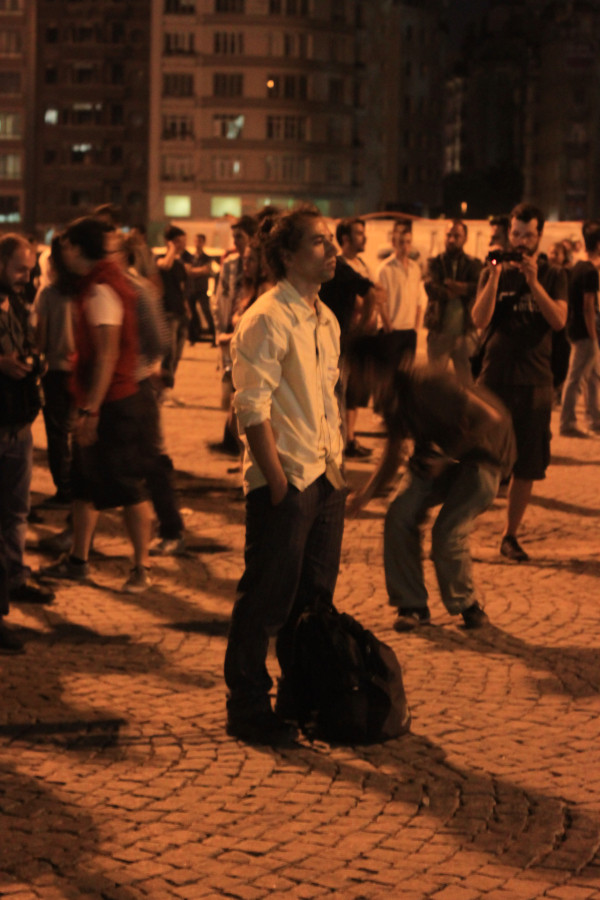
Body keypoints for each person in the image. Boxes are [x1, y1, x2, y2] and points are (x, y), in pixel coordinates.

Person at [224, 205, 346, 744]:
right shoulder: (266, 317)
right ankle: (248, 705)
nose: (333, 250)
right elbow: (251, 407)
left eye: (333, 240)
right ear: (288, 255)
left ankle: (302, 698)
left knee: (314, 599)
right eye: (320, 242)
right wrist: (276, 483)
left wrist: (336, 467)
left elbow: (327, 398)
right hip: (287, 480)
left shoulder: (324, 317)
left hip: (322, 477)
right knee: (267, 599)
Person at [347, 334, 516, 632]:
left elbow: (488, 417)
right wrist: (366, 495)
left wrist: (447, 457)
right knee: (399, 514)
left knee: (447, 530)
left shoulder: (427, 382)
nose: (352, 379)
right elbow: (393, 453)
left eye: (354, 371)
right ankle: (411, 605)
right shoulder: (390, 396)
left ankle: (469, 606)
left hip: (482, 455)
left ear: (371, 369)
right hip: (439, 457)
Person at [40, 217, 153, 593]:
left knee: (128, 487)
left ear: (77, 248)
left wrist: (90, 410)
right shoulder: (93, 286)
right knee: (84, 485)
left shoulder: (102, 289)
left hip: (114, 404)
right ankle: (78, 560)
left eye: (68, 246)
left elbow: (107, 355)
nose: (63, 253)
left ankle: (141, 569)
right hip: (104, 400)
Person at [472, 202, 568, 562]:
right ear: (508, 234)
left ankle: (509, 535)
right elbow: (480, 320)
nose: (522, 242)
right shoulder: (492, 270)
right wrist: (495, 278)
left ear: (540, 236)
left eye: (529, 235)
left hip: (535, 382)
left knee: (527, 464)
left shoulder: (555, 273)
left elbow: (559, 320)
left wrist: (533, 282)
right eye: (516, 234)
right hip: (494, 378)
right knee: (480, 459)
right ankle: (458, 529)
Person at [0, 234, 55, 652]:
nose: (27, 275)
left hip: (19, 425)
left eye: (30, 268)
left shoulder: (18, 300)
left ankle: (14, 577)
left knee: (16, 513)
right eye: (20, 268)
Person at [35, 236, 78, 508]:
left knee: (58, 433)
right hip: (82, 371)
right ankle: (82, 489)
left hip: (56, 371)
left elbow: (39, 337)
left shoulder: (49, 293)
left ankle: (64, 489)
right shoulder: (88, 289)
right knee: (78, 432)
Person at [210, 215, 258, 455]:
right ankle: (232, 443)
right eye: (234, 237)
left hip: (249, 339)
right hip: (231, 335)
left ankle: (238, 446)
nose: (235, 241)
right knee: (232, 390)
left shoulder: (260, 267)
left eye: (239, 236)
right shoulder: (230, 265)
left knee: (242, 394)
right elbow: (220, 301)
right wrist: (221, 332)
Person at [424, 220, 482, 384]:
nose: (451, 239)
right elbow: (432, 289)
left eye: (457, 236)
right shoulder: (434, 263)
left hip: (466, 333)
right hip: (439, 332)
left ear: (465, 238)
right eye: (448, 235)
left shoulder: (474, 264)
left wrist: (453, 285)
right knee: (435, 385)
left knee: (468, 386)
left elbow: (478, 289)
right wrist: (463, 290)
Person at [560, 220, 600, 437]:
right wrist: (594, 337)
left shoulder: (578, 266)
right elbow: (588, 307)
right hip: (585, 332)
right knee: (576, 378)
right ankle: (567, 422)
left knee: (594, 376)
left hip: (574, 327)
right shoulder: (590, 273)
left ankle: (595, 419)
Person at [376, 218, 426, 366]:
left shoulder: (415, 268)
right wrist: (388, 328)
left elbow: (418, 299)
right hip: (392, 330)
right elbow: (380, 302)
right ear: (394, 243)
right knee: (388, 375)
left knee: (406, 376)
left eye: (408, 242)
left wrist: (416, 328)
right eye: (401, 242)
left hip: (409, 332)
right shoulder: (384, 269)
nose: (405, 246)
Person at [156, 225, 189, 392]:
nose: (182, 245)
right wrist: (170, 249)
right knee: (169, 355)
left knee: (176, 356)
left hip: (180, 314)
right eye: (179, 242)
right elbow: (165, 266)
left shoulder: (180, 264)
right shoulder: (160, 258)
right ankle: (162, 391)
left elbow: (182, 289)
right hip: (168, 313)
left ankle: (167, 389)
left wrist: (187, 310)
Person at [185, 234, 216, 345]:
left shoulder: (207, 258)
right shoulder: (190, 257)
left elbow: (205, 270)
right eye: (196, 240)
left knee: (206, 311)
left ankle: (214, 337)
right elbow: (188, 271)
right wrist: (198, 271)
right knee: (191, 314)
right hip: (191, 288)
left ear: (203, 242)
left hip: (202, 289)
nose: (197, 243)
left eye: (200, 241)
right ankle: (193, 338)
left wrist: (193, 271)